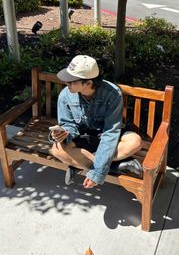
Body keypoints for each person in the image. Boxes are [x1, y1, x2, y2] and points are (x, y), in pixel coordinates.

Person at [50, 55, 143, 189]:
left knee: (135, 142)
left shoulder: (112, 94)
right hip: (84, 137)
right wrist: (63, 133)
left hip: (108, 136)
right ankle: (114, 166)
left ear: (88, 83)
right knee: (57, 149)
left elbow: (111, 132)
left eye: (71, 81)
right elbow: (68, 124)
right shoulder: (65, 95)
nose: (67, 84)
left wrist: (97, 172)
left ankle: (79, 164)